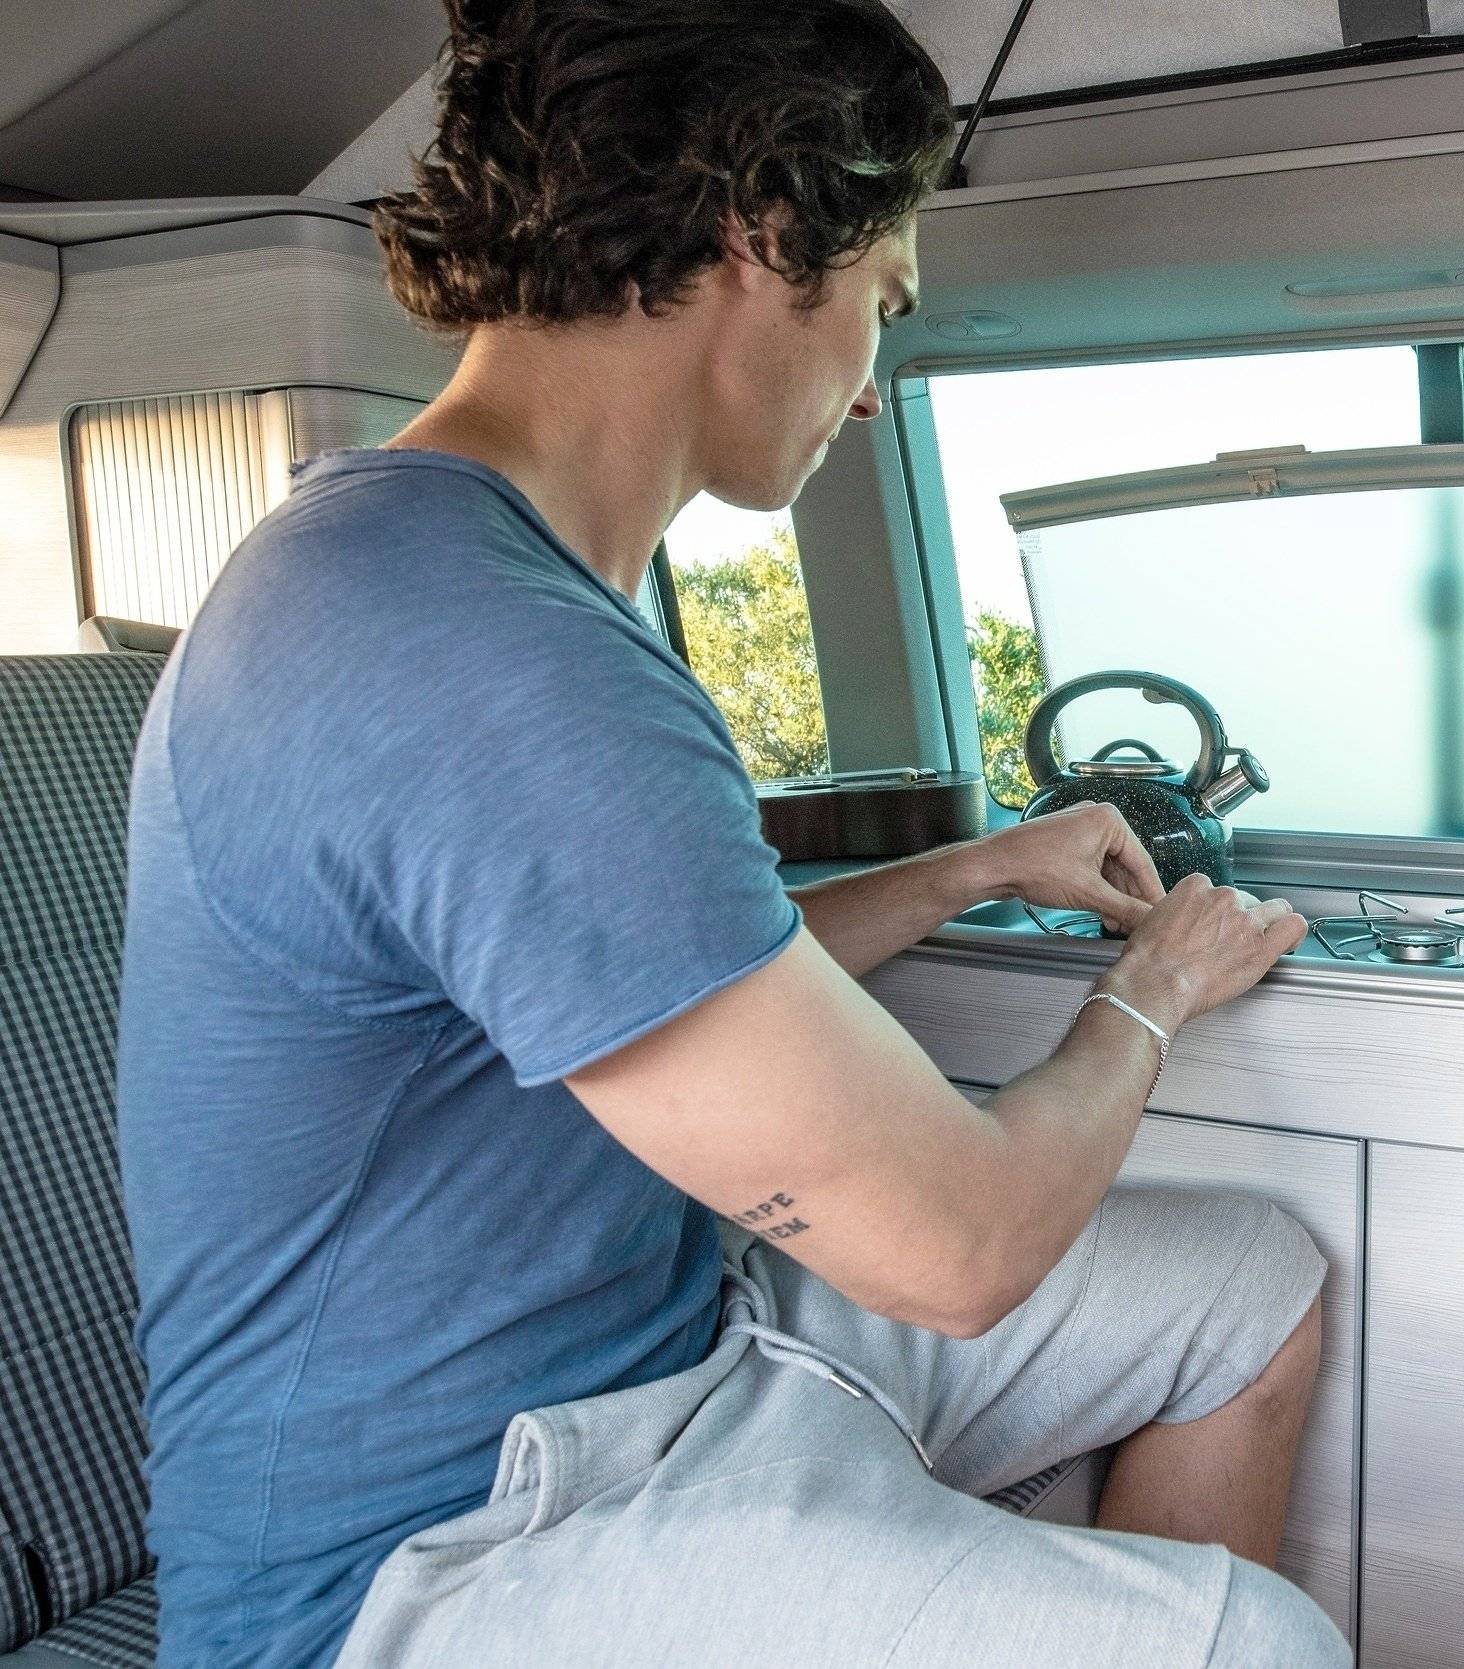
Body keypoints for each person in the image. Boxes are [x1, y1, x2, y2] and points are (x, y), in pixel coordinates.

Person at [113, 2, 1349, 1664]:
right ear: (767, 229)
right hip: (430, 1556)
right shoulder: (468, 644)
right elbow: (961, 1247)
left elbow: (667, 981)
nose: (873, 388)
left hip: (672, 1349)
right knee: (1256, 1644)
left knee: (1250, 1283)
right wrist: (1157, 987)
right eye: (885, 303)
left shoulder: (481, 582)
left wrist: (982, 865)